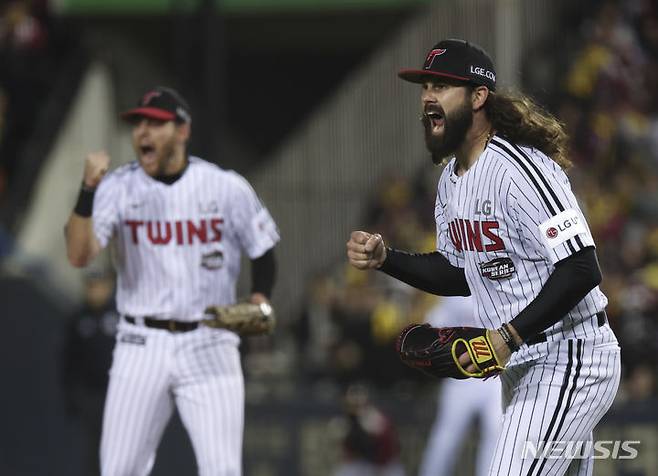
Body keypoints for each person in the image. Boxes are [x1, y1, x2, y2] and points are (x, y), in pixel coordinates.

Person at [346, 39, 621, 475]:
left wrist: (508, 335)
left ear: (479, 97)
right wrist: (388, 259)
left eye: (443, 86)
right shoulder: (451, 181)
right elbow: (459, 272)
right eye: (425, 86)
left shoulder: (520, 169)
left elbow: (582, 267)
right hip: (525, 364)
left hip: (571, 355)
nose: (429, 97)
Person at [64, 86, 279, 475]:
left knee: (223, 470)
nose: (143, 132)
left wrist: (260, 295)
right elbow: (79, 255)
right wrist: (87, 191)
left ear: (182, 131)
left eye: (156, 124)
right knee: (119, 470)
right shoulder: (117, 186)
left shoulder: (224, 186)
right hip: (140, 342)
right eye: (138, 123)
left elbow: (262, 248)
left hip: (210, 338)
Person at [417, 296, 501, 476]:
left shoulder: (505, 284)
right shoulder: (457, 288)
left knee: (496, 434)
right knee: (447, 434)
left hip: (497, 376)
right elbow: (434, 323)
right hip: (461, 376)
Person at [61, 269, 119, 476]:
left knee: (124, 445)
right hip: (91, 393)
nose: (95, 292)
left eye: (100, 287)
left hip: (118, 393)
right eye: (91, 287)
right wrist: (72, 396)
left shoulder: (119, 316)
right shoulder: (78, 318)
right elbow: (69, 360)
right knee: (98, 444)